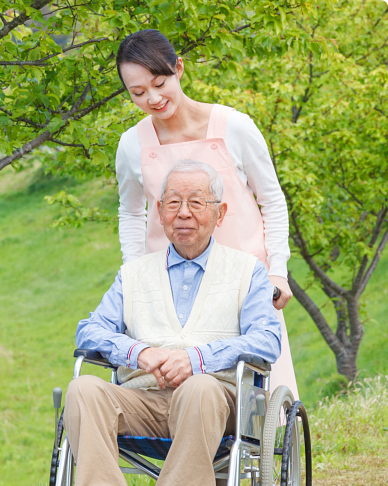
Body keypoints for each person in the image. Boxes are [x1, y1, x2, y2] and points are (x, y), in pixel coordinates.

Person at [63, 160, 281, 486]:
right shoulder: (132, 274)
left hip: (215, 399)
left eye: (196, 202)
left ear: (220, 213)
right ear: (159, 212)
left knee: (199, 387)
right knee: (83, 389)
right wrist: (138, 352)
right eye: (174, 202)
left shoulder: (247, 271)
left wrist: (197, 359)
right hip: (143, 399)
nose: (184, 212)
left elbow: (267, 339)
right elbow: (89, 330)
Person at [115, 29, 298, 400]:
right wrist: (134, 274)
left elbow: (273, 201)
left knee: (249, 392)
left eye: (159, 82)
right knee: (166, 392)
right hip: (170, 288)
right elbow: (131, 213)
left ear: (178, 68)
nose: (152, 98)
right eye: (137, 93)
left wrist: (277, 268)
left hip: (241, 283)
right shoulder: (132, 144)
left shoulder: (235, 127)